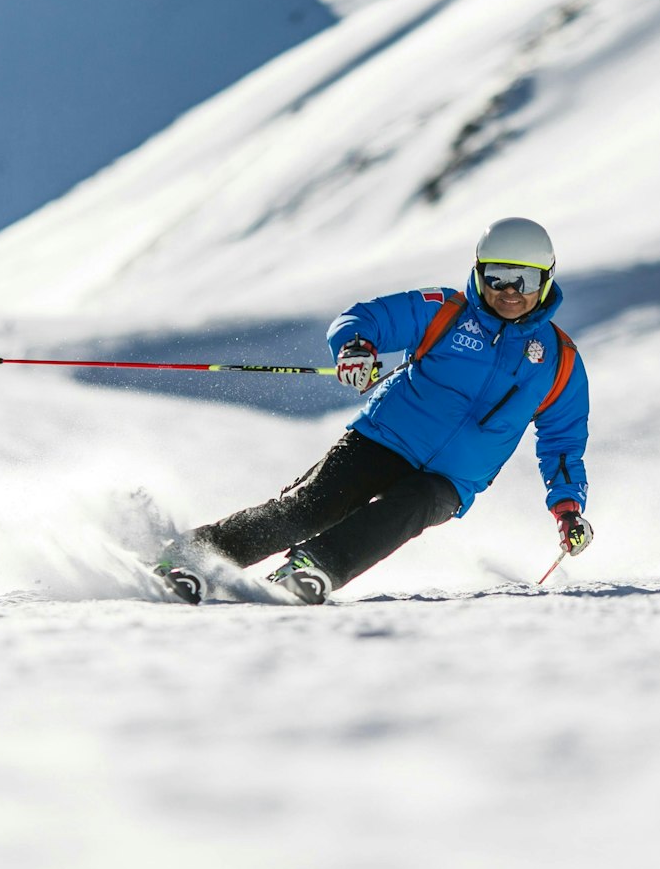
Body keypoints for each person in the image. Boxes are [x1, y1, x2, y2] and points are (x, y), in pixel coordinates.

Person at [157, 217, 593, 605]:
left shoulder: (560, 361)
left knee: (410, 507)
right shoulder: (445, 310)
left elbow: (562, 443)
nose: (510, 292)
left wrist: (568, 509)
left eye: (524, 280)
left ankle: (313, 568)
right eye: (497, 277)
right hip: (383, 438)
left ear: (546, 279)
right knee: (309, 508)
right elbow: (366, 318)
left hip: (452, 479)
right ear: (479, 274)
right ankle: (189, 557)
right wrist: (356, 348)